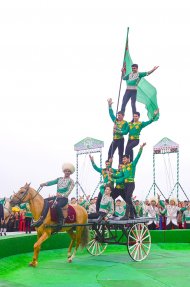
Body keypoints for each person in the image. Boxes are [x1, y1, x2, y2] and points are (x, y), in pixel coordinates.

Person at [111, 143, 146, 220]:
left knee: (127, 198)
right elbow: (119, 175)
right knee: (128, 199)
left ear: (128, 159)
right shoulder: (123, 168)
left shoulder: (132, 165)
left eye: (125, 159)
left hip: (131, 184)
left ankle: (127, 215)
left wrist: (141, 149)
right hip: (125, 185)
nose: (123, 160)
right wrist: (112, 175)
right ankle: (132, 215)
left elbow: (138, 157)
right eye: (123, 159)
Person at [40, 163, 75, 231]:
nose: (67, 172)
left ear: (70, 173)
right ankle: (42, 218)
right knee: (45, 201)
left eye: (68, 171)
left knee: (57, 205)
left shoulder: (71, 181)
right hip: (57, 197)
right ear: (64, 171)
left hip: (64, 199)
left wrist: (61, 195)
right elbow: (52, 182)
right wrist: (44, 184)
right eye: (66, 171)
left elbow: (69, 191)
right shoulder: (59, 179)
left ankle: (61, 220)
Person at [107, 98, 128, 164]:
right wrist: (109, 106)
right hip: (114, 140)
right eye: (118, 115)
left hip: (120, 140)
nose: (118, 117)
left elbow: (125, 132)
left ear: (123, 116)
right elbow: (111, 114)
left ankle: (120, 167)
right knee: (110, 152)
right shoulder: (115, 121)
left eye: (119, 115)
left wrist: (117, 130)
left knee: (120, 154)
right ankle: (109, 166)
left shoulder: (125, 123)